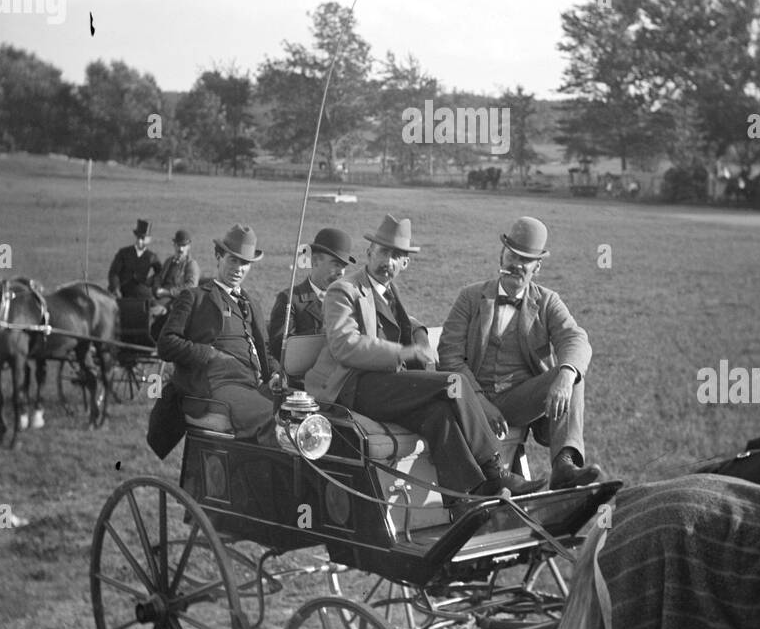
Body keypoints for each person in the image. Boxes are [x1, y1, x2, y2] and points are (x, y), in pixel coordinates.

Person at [304, 215, 545, 501]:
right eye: (383, 252)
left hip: (384, 386)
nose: (388, 262)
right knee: (453, 383)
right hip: (350, 386)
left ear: (405, 264)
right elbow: (345, 345)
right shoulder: (343, 291)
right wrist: (403, 353)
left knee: (438, 416)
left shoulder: (389, 294)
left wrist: (417, 332)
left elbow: (401, 321)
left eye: (397, 257)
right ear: (369, 253)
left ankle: (466, 498)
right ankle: (496, 471)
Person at [439, 216, 600, 490]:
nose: (516, 265)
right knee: (569, 373)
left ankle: (564, 464)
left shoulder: (547, 301)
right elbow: (449, 356)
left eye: (525, 260)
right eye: (512, 255)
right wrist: (481, 402)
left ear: (537, 267)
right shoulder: (470, 296)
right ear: (501, 256)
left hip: (518, 400)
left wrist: (565, 375)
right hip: (470, 398)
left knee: (573, 374)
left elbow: (576, 338)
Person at [158, 223, 282, 444]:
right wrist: (208, 353)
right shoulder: (195, 297)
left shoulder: (251, 303)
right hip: (215, 387)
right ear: (218, 256)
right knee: (276, 420)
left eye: (244, 263)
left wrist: (273, 373)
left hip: (254, 385)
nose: (238, 269)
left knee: (304, 417)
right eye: (232, 260)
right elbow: (166, 343)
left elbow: (265, 350)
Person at [267, 227, 356, 361]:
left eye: (344, 266)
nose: (341, 272)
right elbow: (281, 350)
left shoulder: (350, 301)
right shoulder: (291, 300)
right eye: (336, 264)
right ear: (315, 261)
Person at [107, 219, 161, 301]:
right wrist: (116, 289)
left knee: (153, 304)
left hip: (140, 290)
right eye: (138, 237)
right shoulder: (123, 252)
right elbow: (114, 272)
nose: (140, 241)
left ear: (148, 239)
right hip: (121, 288)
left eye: (143, 238)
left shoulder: (152, 257)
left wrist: (151, 283)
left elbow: (160, 273)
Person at [152, 229, 201, 315]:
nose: (181, 249)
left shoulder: (191, 264)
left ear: (188, 246)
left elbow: (191, 287)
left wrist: (168, 292)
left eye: (184, 245)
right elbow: (159, 278)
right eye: (178, 245)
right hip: (161, 297)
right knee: (143, 307)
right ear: (174, 245)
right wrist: (157, 289)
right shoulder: (169, 261)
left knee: (153, 312)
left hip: (177, 300)